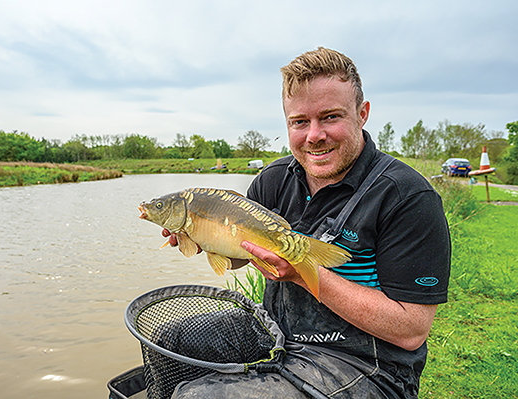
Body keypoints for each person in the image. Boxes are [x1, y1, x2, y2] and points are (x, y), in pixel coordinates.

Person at [163, 47, 450, 398]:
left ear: (362, 114)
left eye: (330, 117)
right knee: (173, 340)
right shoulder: (273, 180)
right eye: (300, 122)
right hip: (276, 335)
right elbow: (241, 255)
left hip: (366, 366)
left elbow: (410, 329)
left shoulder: (407, 197)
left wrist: (301, 272)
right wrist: (204, 236)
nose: (314, 135)